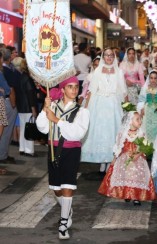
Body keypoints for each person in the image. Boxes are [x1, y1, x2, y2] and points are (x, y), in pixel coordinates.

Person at [36, 76, 90, 240]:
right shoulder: (52, 106)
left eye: (76, 87)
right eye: (70, 87)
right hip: (54, 150)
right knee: (56, 188)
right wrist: (45, 111)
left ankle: (63, 222)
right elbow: (43, 128)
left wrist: (57, 120)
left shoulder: (82, 111)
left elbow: (77, 133)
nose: (74, 90)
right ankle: (67, 209)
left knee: (68, 186)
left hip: (71, 152)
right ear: (63, 89)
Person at [81, 48, 127, 174]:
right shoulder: (97, 72)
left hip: (113, 104)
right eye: (106, 55)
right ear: (103, 57)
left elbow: (123, 91)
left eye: (111, 55)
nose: (109, 57)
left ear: (114, 57)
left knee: (113, 133)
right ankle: (102, 162)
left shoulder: (119, 72)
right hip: (100, 105)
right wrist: (85, 108)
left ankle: (110, 162)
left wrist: (126, 107)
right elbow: (91, 90)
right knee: (101, 133)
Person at [98, 111, 156, 206]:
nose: (140, 121)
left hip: (138, 159)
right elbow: (118, 147)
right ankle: (127, 194)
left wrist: (138, 154)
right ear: (130, 121)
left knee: (137, 176)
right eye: (137, 119)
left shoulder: (141, 133)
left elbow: (145, 146)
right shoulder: (123, 133)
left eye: (140, 119)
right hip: (125, 159)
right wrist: (114, 159)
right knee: (126, 176)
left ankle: (136, 196)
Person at [11, 57, 38, 157]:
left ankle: (22, 148)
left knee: (23, 128)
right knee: (29, 128)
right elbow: (30, 94)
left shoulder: (20, 77)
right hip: (28, 107)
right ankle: (29, 150)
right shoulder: (28, 79)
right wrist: (33, 108)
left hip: (21, 107)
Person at [137, 70, 157, 143]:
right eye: (151, 78)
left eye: (155, 78)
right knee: (148, 130)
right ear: (149, 78)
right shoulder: (145, 88)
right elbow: (141, 100)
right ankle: (148, 147)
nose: (153, 80)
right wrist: (141, 108)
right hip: (147, 112)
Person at [0, 48, 17, 164]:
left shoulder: (6, 70)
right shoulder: (3, 71)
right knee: (4, 131)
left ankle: (3, 154)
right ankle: (2, 155)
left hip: (5, 101)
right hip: (4, 102)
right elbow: (7, 89)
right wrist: (13, 103)